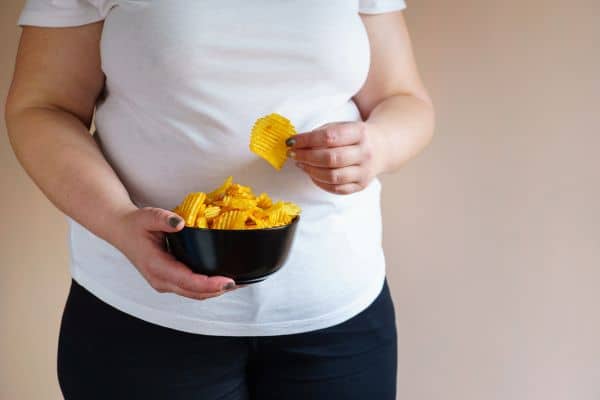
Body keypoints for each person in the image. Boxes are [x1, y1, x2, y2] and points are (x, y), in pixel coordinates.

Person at [5, 0, 434, 398]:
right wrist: (118, 221)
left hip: (339, 313)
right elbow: (44, 105)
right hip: (143, 317)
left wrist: (377, 145)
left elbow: (402, 98)